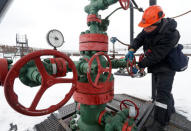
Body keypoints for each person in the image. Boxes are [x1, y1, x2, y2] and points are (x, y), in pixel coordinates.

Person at [125, 5, 180, 131]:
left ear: (159, 22)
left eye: (149, 26)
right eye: (145, 26)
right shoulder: (149, 28)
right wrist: (132, 49)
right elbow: (139, 38)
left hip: (167, 66)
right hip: (156, 66)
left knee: (161, 95)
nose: (146, 29)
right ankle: (170, 109)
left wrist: (139, 65)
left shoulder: (170, 34)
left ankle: (159, 124)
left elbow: (156, 55)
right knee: (163, 91)